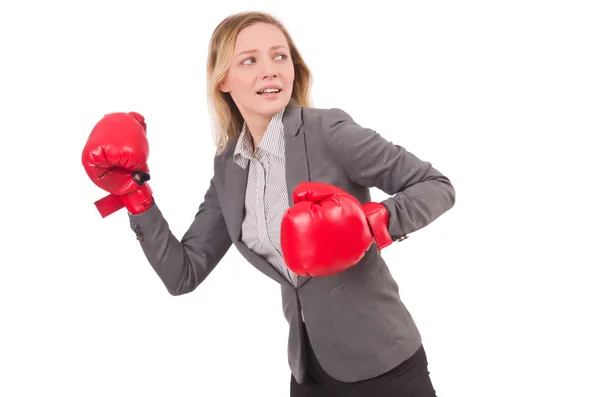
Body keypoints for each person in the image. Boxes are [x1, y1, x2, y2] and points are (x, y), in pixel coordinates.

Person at [81, 10, 456, 397]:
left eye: (279, 56)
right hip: (308, 370)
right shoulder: (229, 165)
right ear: (223, 79)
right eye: (249, 60)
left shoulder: (328, 131)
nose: (270, 70)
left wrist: (372, 224)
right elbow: (183, 274)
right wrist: (135, 197)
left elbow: (436, 185)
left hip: (383, 363)